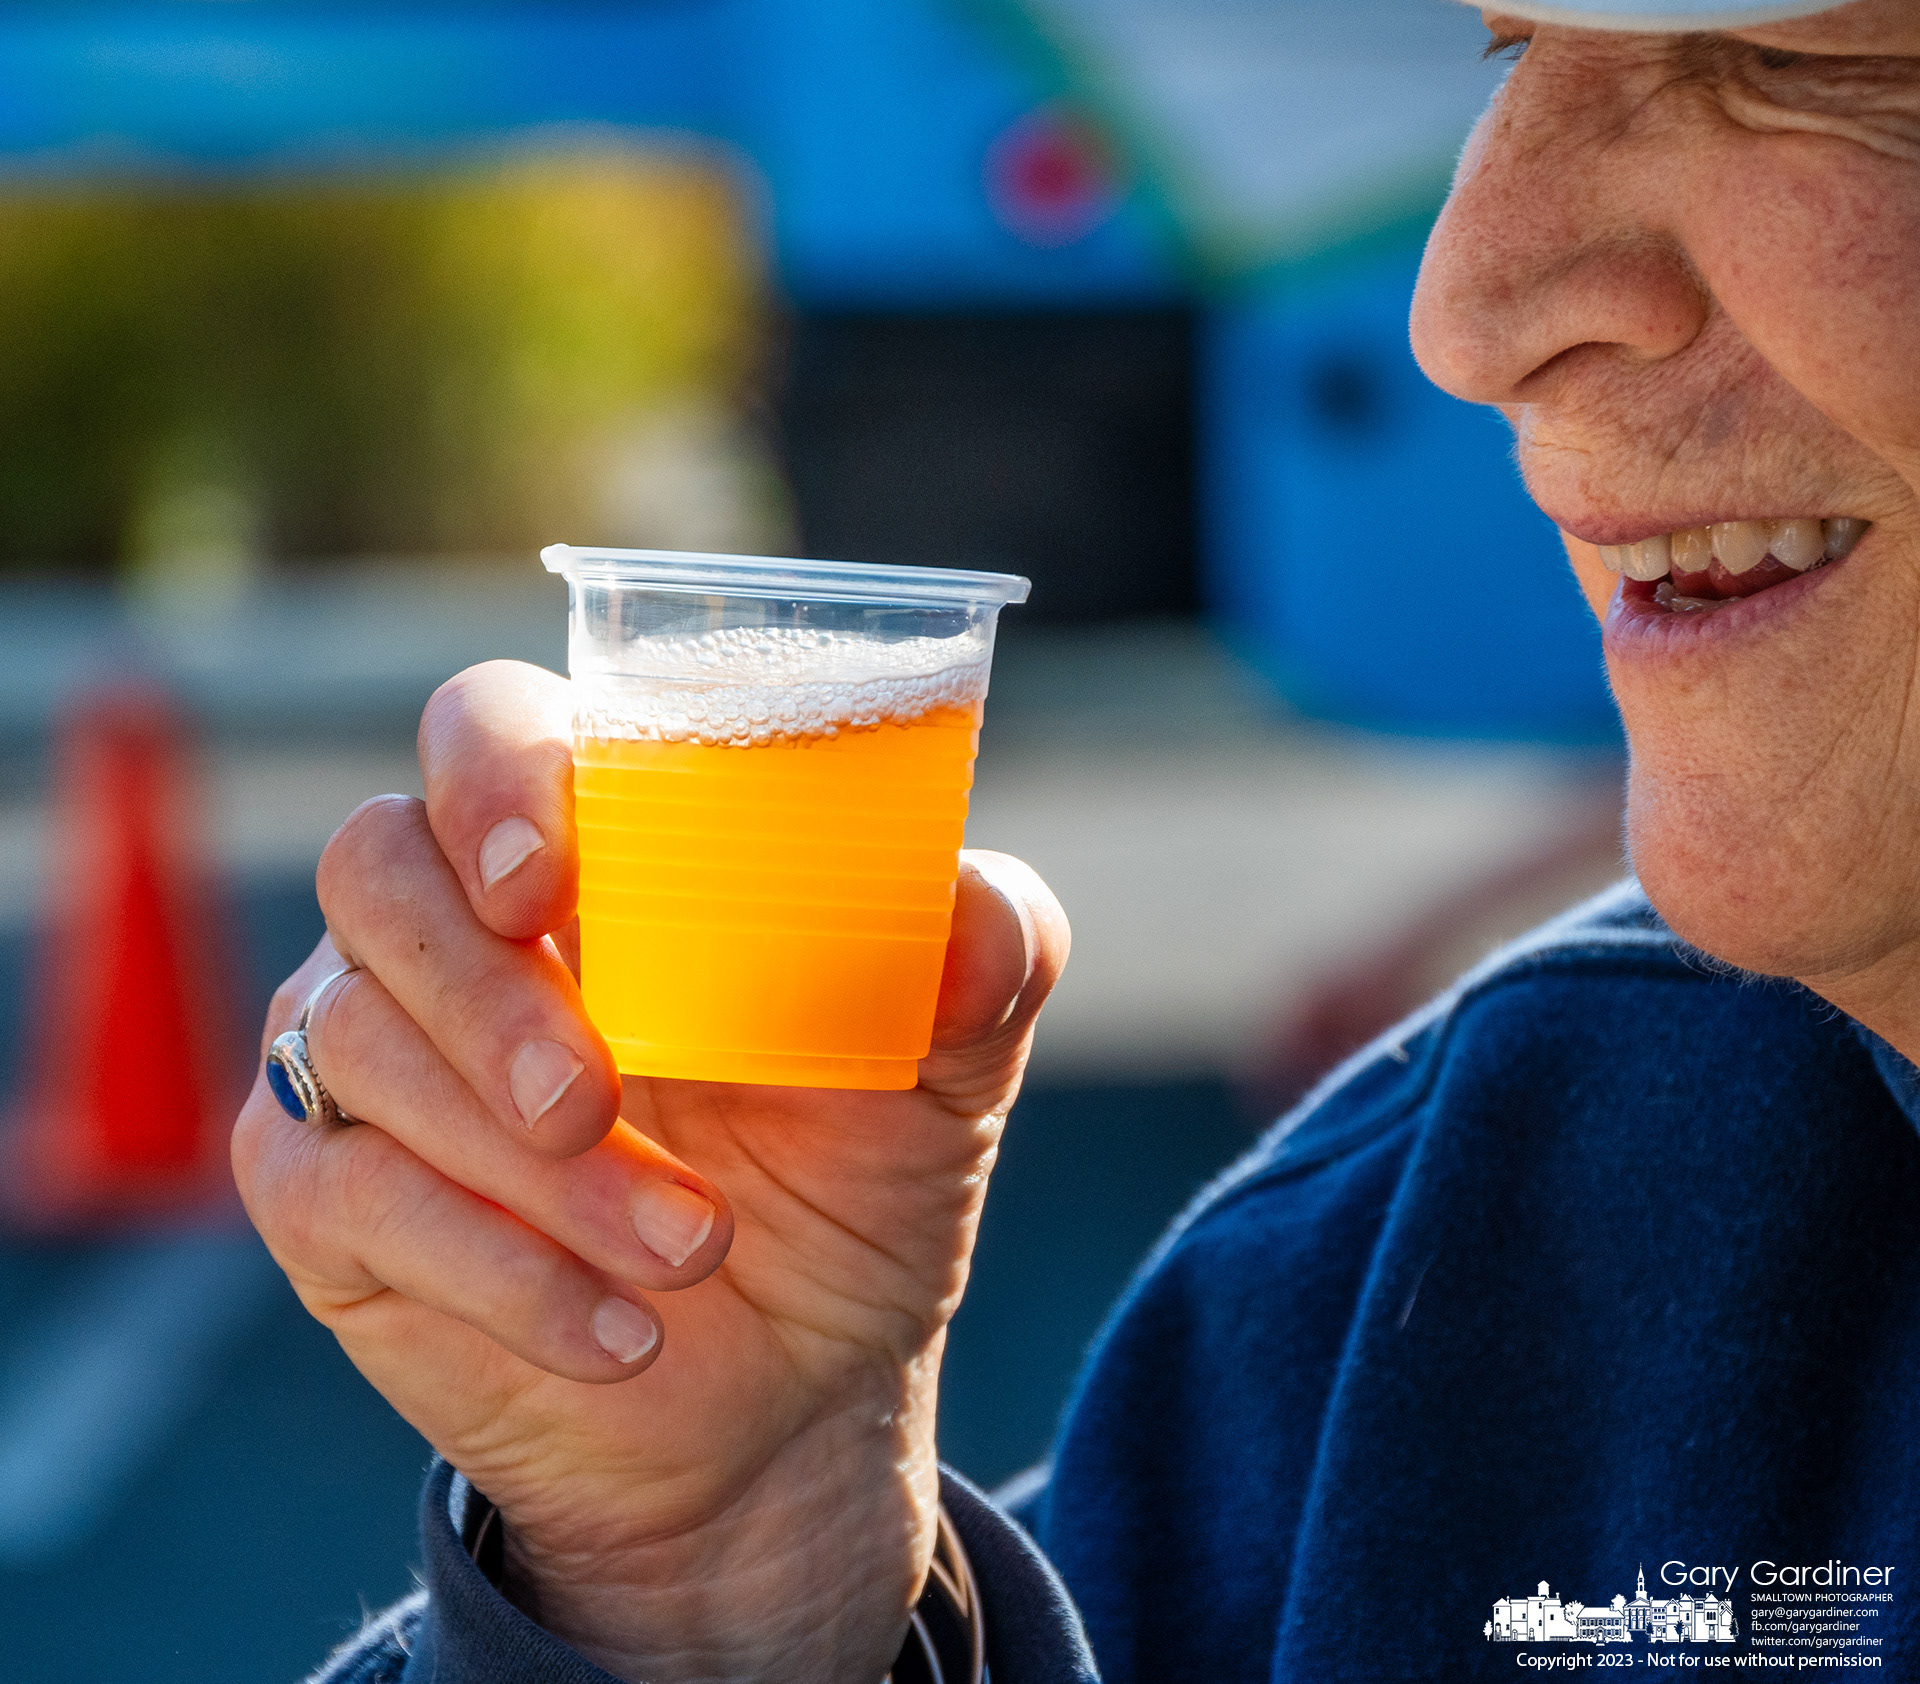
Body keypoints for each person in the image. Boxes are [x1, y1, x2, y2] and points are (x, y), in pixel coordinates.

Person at [235, 0, 1920, 1677]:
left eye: (1791, 66)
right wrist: (716, 1591)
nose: (1464, 312)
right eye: (1510, 50)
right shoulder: (1456, 1293)